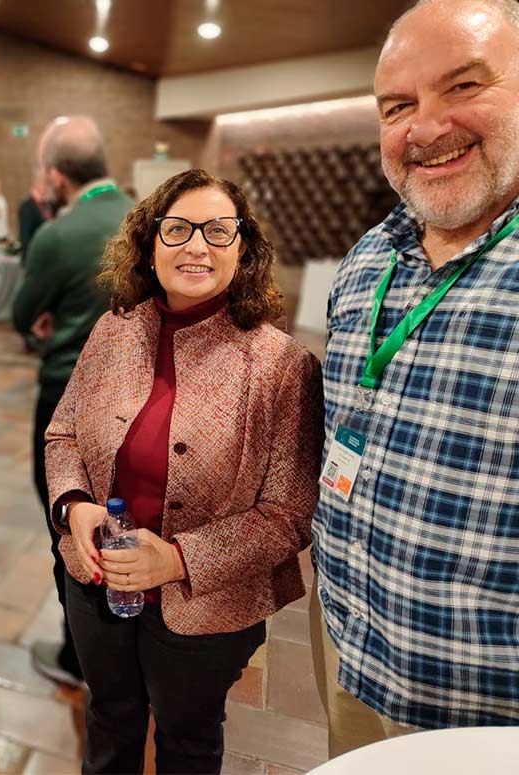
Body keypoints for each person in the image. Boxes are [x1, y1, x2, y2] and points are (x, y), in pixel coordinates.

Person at [45, 169, 323, 774]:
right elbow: (62, 432)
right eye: (177, 229)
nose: (196, 246)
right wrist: (75, 505)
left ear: (242, 249)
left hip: (206, 606)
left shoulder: (281, 365)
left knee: (188, 740)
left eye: (218, 231)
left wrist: (175, 560)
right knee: (110, 718)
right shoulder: (113, 330)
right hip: (95, 584)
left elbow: (288, 517)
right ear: (150, 244)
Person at [313, 0, 519, 756]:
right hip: (349, 652)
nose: (424, 128)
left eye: (463, 87)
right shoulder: (370, 253)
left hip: (481, 719)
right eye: (398, 105)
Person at [12, 115, 133, 687]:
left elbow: (19, 313)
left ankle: (80, 655)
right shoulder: (148, 217)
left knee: (70, 522)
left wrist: (44, 321)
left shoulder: (57, 236)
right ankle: (132, 638)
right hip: (141, 398)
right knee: (126, 519)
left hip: (68, 397)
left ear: (57, 178)